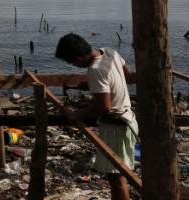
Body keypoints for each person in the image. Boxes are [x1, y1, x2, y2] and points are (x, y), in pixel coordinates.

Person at [55, 33, 138, 200]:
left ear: (78, 58)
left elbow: (105, 107)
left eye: (71, 62)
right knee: (119, 174)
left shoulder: (95, 70)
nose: (73, 65)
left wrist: (78, 113)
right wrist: (90, 86)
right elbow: (127, 78)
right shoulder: (109, 52)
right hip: (129, 120)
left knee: (116, 178)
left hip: (116, 126)